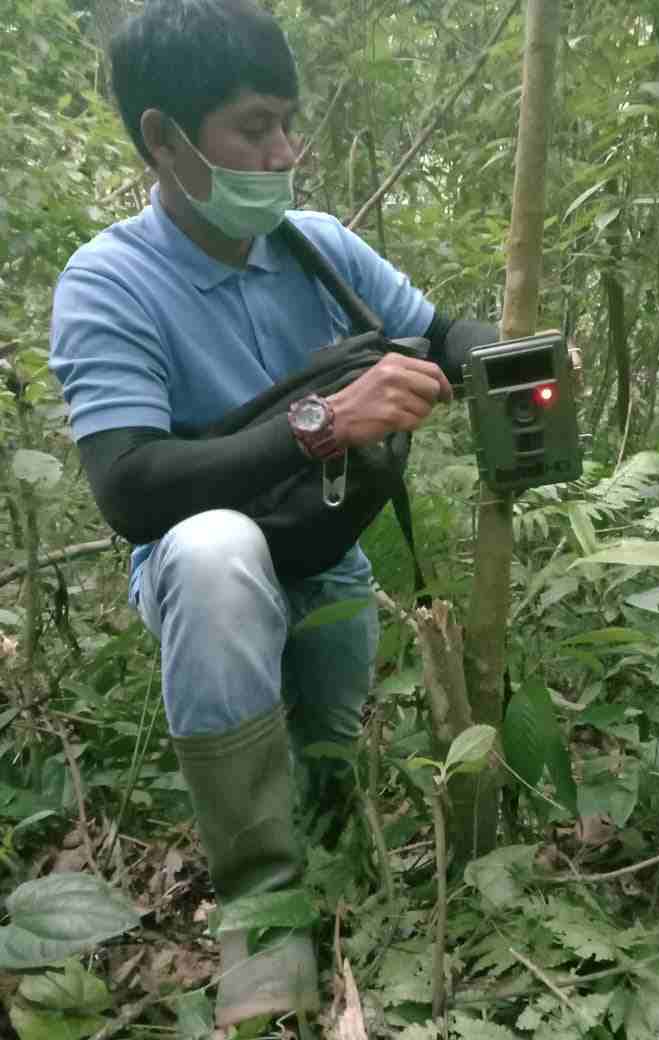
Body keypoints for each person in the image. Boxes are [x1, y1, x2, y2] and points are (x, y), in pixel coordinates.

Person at [49, 0, 495, 1027]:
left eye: (289, 123)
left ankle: (342, 872)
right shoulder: (110, 281)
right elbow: (128, 488)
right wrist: (323, 421)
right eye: (254, 127)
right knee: (214, 550)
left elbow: (433, 332)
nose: (284, 151)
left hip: (329, 560)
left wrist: (507, 362)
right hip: (206, 574)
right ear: (164, 138)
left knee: (332, 774)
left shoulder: (318, 247)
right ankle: (259, 907)